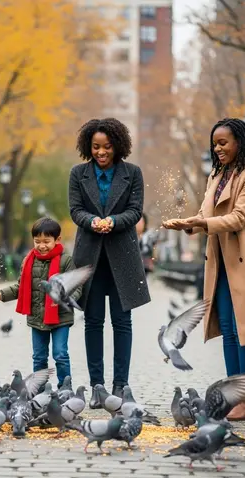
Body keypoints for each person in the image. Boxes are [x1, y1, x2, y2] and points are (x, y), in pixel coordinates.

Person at [163, 117, 245, 420]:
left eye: (223, 143)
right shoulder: (217, 175)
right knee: (228, 329)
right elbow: (206, 213)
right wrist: (189, 224)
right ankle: (233, 394)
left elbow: (240, 217)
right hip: (222, 260)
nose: (217, 149)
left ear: (240, 141)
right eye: (215, 143)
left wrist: (202, 223)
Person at [68, 118, 151, 407]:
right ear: (87, 147)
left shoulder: (133, 173)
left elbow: (135, 211)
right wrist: (92, 221)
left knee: (122, 322)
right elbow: (75, 210)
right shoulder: (78, 173)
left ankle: (121, 385)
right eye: (95, 147)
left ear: (117, 146)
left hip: (122, 256)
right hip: (90, 258)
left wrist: (112, 222)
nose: (101, 153)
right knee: (92, 322)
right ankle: (97, 387)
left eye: (106, 147)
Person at [0, 217, 82, 388]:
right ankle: (39, 389)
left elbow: (76, 287)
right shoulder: (29, 260)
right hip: (37, 318)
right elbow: (20, 287)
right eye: (37, 241)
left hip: (60, 317)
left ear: (57, 240)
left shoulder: (66, 260)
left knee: (60, 354)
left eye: (46, 241)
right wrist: (1, 294)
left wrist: (68, 301)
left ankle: (65, 388)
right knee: (39, 357)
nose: (41, 245)